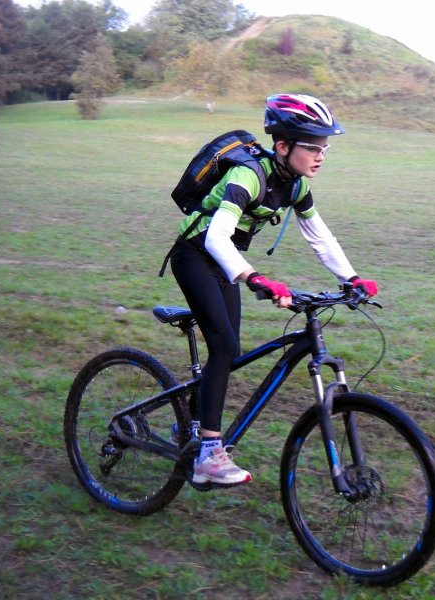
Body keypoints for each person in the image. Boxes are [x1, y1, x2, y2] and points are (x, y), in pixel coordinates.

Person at [169, 93, 378, 486]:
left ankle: (191, 432)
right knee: (225, 347)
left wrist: (350, 279)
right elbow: (216, 238)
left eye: (325, 148)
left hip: (224, 262)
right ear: (283, 146)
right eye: (313, 147)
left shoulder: (295, 185)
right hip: (195, 255)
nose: (321, 156)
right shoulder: (248, 175)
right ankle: (209, 456)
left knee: (227, 351)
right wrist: (254, 277)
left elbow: (320, 237)